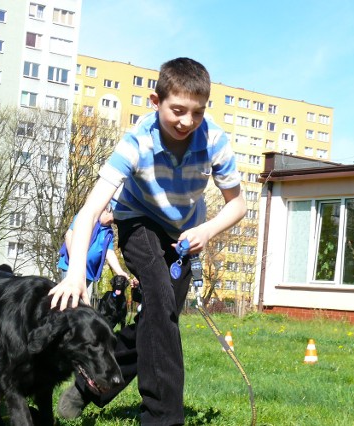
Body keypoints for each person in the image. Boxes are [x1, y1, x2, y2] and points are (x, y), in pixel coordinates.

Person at [50, 57, 246, 425]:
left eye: (197, 112)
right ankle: (162, 418)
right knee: (157, 301)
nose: (187, 121)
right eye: (177, 110)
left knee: (159, 319)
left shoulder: (214, 141)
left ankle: (91, 385)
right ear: (156, 102)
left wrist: (206, 231)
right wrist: (76, 273)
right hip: (138, 221)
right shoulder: (136, 142)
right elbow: (91, 210)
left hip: (185, 234)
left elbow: (238, 205)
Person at [57, 203, 135, 305]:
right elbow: (69, 235)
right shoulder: (86, 217)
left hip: (89, 272)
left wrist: (120, 271)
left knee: (83, 305)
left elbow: (109, 252)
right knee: (69, 302)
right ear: (106, 210)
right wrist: (76, 263)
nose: (115, 220)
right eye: (114, 216)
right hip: (71, 267)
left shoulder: (109, 232)